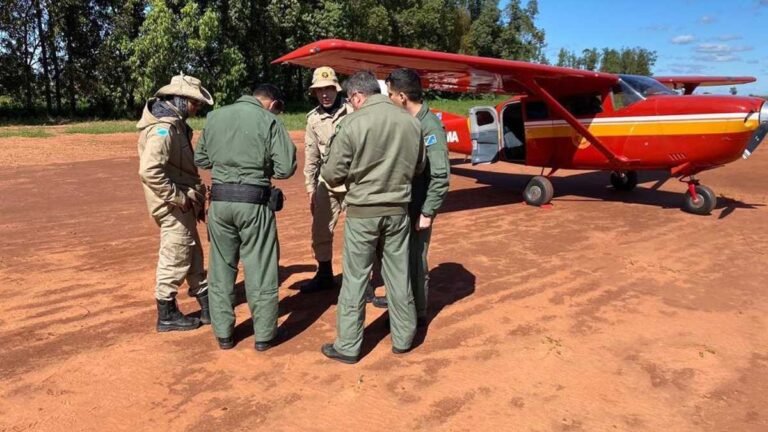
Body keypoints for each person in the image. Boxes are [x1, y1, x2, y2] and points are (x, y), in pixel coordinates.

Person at [319, 71, 424, 364]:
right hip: (398, 210)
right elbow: (418, 167)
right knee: (398, 273)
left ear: (357, 96)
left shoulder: (352, 122)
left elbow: (331, 174)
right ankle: (404, 338)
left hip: (363, 213)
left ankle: (349, 346)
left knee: (355, 278)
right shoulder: (410, 122)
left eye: (350, 100)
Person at [194, 84, 297, 351]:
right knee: (260, 269)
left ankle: (224, 335)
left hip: (219, 202)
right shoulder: (269, 120)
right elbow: (286, 168)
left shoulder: (214, 116)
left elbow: (201, 159)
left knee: (220, 268)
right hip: (254, 203)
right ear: (272, 103)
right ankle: (263, 335)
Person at [137, 74, 213, 333]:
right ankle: (166, 313)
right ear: (180, 100)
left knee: (192, 253)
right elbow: (149, 170)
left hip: (183, 203)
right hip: (173, 206)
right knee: (175, 254)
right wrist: (178, 197)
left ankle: (207, 305)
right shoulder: (164, 128)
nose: (197, 108)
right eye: (195, 103)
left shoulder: (176, 124)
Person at [375, 68, 451, 327]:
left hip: (419, 206)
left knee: (416, 260)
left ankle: (417, 314)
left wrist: (428, 212)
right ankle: (401, 303)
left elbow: (440, 175)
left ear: (403, 97)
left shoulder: (429, 127)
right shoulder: (407, 121)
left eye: (392, 95)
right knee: (398, 257)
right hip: (404, 204)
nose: (390, 99)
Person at [301, 67, 353, 294]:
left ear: (337, 88)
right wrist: (310, 188)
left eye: (329, 88)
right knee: (320, 230)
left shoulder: (354, 112)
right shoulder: (313, 120)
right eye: (320, 90)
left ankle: (360, 280)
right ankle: (324, 273)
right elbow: (311, 156)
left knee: (359, 231)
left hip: (354, 182)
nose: (325, 94)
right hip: (327, 183)